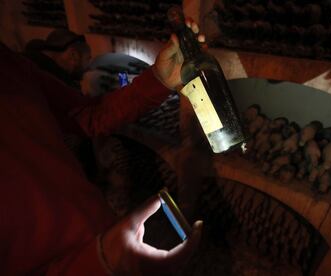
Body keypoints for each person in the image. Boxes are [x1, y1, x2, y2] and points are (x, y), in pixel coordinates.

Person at [0, 20, 204, 275]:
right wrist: (101, 261)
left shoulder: (8, 63)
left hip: (102, 234)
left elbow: (87, 114)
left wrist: (158, 79)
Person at [24, 29, 91, 90]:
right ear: (73, 55)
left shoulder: (24, 62)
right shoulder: (62, 84)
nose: (88, 67)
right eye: (87, 59)